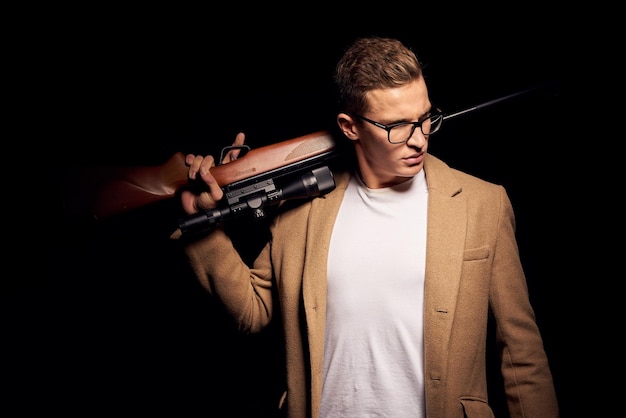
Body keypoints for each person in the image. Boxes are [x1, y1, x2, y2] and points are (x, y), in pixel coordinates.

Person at [175, 36, 559, 417]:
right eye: (397, 127)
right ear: (350, 126)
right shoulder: (303, 211)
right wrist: (201, 223)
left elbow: (522, 354)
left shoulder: (482, 205)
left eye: (426, 118)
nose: (419, 139)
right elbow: (253, 311)